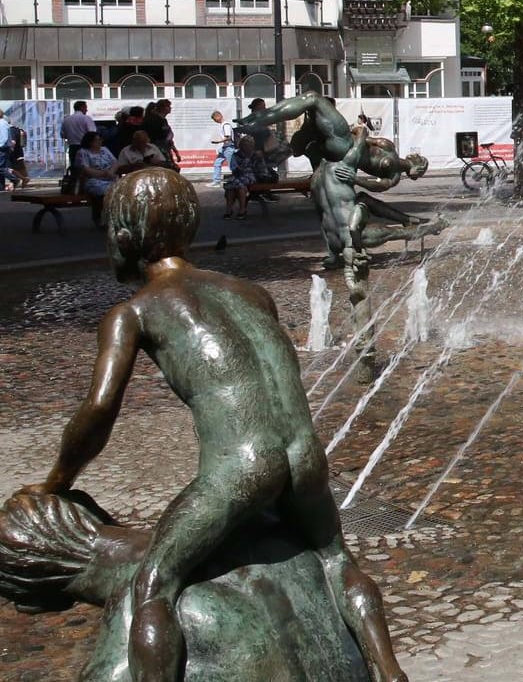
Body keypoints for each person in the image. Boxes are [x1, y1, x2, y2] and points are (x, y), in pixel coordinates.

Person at [27, 169, 410, 682]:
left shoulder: (134, 311)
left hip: (241, 468)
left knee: (153, 584)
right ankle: (389, 672)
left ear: (121, 236)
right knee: (337, 560)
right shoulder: (252, 293)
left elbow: (98, 411)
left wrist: (57, 481)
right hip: (306, 458)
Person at [221, 134, 268, 219]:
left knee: (235, 184)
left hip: (252, 175)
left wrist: (258, 160)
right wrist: (239, 167)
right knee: (232, 186)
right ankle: (229, 209)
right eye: (245, 145)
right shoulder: (236, 155)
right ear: (241, 146)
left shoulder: (256, 155)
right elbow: (234, 168)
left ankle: (241, 209)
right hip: (239, 175)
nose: (247, 147)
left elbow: (262, 169)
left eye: (249, 145)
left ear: (252, 146)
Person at [60, 100, 94, 171]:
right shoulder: (86, 118)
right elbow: (92, 133)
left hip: (72, 148)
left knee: (75, 169)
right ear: (81, 107)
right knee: (87, 169)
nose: (86, 110)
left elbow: (63, 135)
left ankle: (75, 181)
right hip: (85, 147)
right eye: (85, 107)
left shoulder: (66, 120)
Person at [143, 99, 178, 166]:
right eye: (168, 106)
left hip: (165, 147)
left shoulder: (163, 120)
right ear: (162, 108)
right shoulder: (154, 120)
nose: (170, 108)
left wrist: (175, 151)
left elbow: (168, 136)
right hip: (158, 148)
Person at [0, 108, 26, 191]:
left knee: (1, 168)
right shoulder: (3, 123)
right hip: (3, 148)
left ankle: (15, 179)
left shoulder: (2, 123)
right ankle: (1, 186)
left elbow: (4, 138)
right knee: (2, 168)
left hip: (2, 148)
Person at [207, 111, 235, 186]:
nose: (215, 121)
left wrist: (218, 141)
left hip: (228, 147)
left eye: (214, 119)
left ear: (218, 116)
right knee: (217, 163)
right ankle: (216, 181)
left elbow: (228, 137)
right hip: (224, 148)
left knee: (232, 165)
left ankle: (237, 179)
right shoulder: (223, 125)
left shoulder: (226, 125)